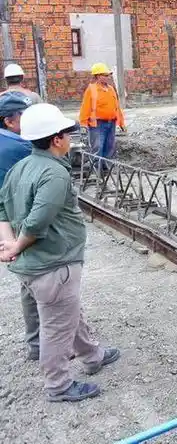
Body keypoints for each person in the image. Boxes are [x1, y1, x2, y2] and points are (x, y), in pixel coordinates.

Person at [0, 103, 119, 402]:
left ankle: (92, 355)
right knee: (55, 327)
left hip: (36, 265)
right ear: (56, 139)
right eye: (66, 134)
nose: (69, 139)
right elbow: (39, 220)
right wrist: (16, 244)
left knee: (67, 311)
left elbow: (2, 207)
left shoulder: (20, 167)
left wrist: (10, 243)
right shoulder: (54, 173)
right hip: (53, 263)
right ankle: (59, 385)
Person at [0, 93, 38, 359]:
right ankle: (52, 345)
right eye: (24, 116)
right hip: (20, 221)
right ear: (9, 121)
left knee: (28, 283)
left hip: (9, 221)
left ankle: (37, 342)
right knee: (45, 283)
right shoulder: (19, 148)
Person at [78, 63, 126, 168]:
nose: (108, 77)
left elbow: (116, 107)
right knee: (97, 148)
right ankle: (96, 172)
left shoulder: (111, 89)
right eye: (106, 75)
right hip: (97, 125)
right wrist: (83, 124)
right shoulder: (92, 89)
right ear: (98, 76)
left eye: (108, 75)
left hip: (111, 123)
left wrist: (121, 122)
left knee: (109, 148)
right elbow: (85, 107)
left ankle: (106, 171)